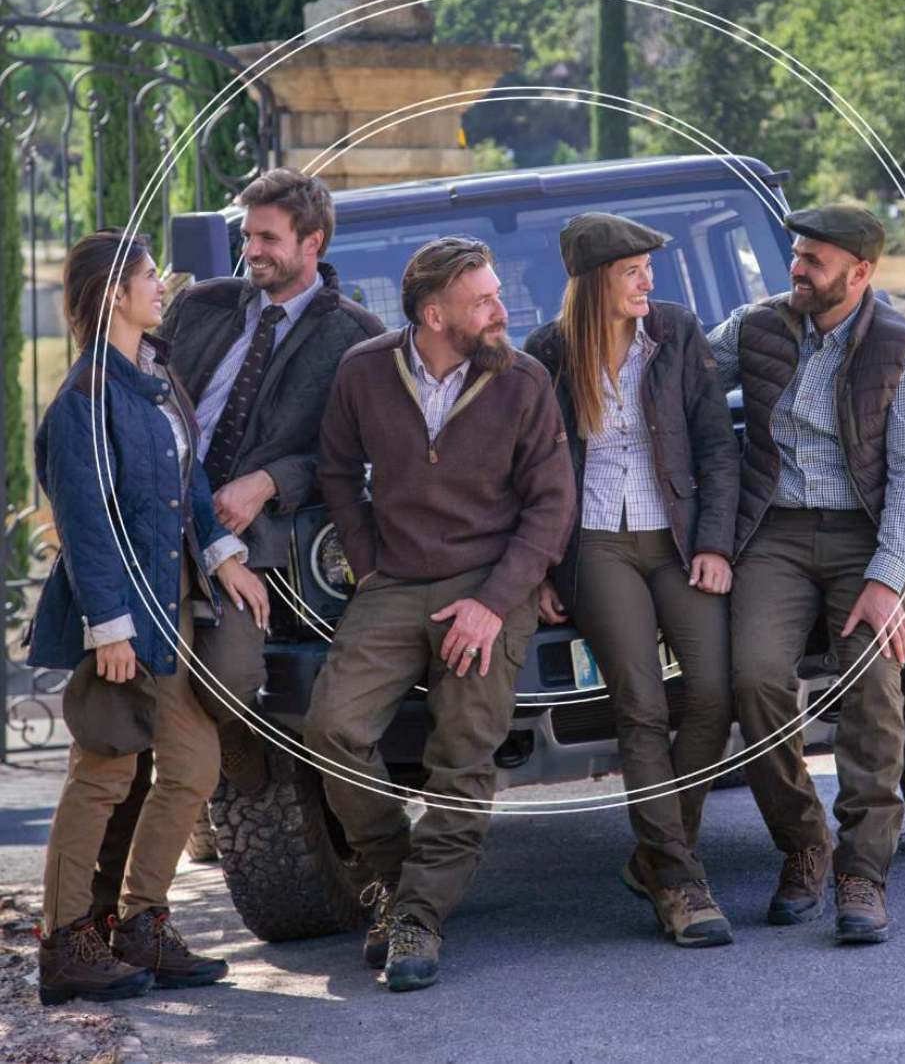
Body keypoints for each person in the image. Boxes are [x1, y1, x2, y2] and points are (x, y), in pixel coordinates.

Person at [90, 168, 383, 926]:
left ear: (311, 242)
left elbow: (349, 453)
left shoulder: (356, 337)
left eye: (266, 238)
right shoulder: (202, 304)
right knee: (120, 709)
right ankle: (110, 898)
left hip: (251, 540)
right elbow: (131, 379)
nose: (249, 250)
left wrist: (268, 482)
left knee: (231, 674)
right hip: (157, 516)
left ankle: (221, 777)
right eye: (246, 235)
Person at [306, 236, 576, 992]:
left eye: (497, 294)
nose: (501, 310)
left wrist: (493, 605)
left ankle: (418, 919)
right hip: (393, 585)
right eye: (483, 300)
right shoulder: (363, 372)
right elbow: (335, 469)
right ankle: (400, 882)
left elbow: (552, 505)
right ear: (433, 314)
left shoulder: (523, 380)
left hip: (491, 585)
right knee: (332, 731)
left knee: (462, 750)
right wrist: (367, 561)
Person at [30, 231, 268, 1005]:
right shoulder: (84, 402)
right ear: (112, 296)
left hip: (174, 618)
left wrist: (226, 550)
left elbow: (189, 480)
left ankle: (140, 926)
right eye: (146, 277)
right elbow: (87, 522)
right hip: (125, 625)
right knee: (101, 774)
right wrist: (110, 628)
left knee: (194, 769)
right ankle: (66, 945)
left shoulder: (154, 376)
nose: (161, 285)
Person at [708, 204, 905, 945]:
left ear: (861, 273)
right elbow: (673, 370)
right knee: (753, 678)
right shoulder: (757, 325)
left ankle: (863, 874)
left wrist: (887, 579)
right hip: (771, 532)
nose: (796, 270)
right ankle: (805, 844)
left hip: (866, 533)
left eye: (813, 260)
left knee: (871, 679)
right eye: (796, 255)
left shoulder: (904, 348)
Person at [524, 212, 740, 949]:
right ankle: (679, 884)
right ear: (594, 283)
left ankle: (655, 852)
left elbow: (716, 446)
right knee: (642, 706)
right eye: (632, 271)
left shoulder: (677, 333)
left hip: (677, 539)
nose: (648, 281)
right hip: (596, 546)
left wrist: (715, 543)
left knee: (714, 691)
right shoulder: (548, 354)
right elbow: (533, 474)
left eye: (650, 268)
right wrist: (543, 571)